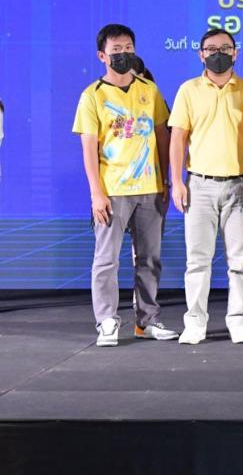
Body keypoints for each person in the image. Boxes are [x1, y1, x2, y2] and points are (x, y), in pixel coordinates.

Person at [72, 23, 177, 347]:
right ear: (102, 56)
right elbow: (89, 149)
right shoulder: (92, 95)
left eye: (128, 48)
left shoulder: (150, 90)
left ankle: (147, 321)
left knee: (149, 260)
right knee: (107, 260)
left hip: (150, 189)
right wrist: (96, 193)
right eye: (116, 50)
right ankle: (106, 320)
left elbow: (162, 136)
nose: (123, 54)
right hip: (112, 192)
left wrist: (165, 180)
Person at [169, 28, 243, 344]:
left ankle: (238, 320)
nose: (218, 53)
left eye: (225, 48)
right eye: (211, 49)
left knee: (240, 261)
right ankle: (195, 322)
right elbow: (177, 139)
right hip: (199, 186)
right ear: (201, 54)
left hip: (239, 185)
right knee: (197, 260)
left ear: (235, 52)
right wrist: (176, 181)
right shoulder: (188, 90)